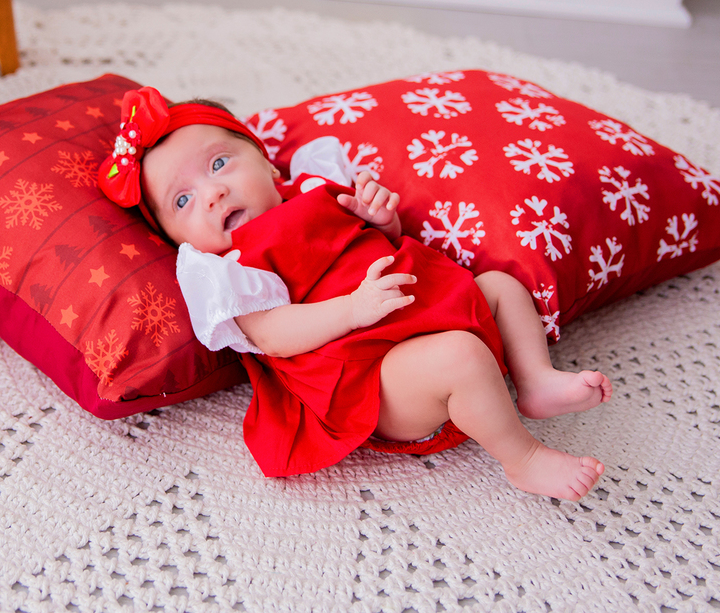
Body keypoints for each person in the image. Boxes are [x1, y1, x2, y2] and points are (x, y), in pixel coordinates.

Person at [98, 87, 612, 500]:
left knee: (501, 286)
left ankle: (535, 379)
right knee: (461, 357)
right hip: (374, 379)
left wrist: (380, 218)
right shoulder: (230, 269)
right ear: (178, 240)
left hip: (432, 309)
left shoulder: (315, 185)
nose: (213, 193)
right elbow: (273, 334)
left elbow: (374, 244)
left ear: (266, 164)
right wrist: (351, 309)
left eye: (218, 165)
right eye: (183, 201)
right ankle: (522, 458)